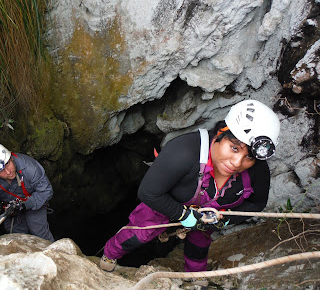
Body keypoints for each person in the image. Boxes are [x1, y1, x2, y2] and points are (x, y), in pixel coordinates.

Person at [100, 99, 280, 278]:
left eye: (249, 157)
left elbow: (257, 203)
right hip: (165, 203)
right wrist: (184, 216)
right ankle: (110, 254)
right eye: (234, 148)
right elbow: (148, 192)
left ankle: (195, 277)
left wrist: (226, 219)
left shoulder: (257, 171)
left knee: (200, 245)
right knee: (140, 232)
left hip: (209, 216)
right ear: (220, 133)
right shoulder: (184, 152)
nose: (237, 162)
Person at [0, 142, 55, 242]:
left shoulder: (29, 167)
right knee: (17, 238)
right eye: (0, 171)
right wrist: (0, 209)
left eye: (7, 164)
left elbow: (46, 191)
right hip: (9, 209)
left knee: (40, 233)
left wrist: (25, 205)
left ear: (11, 157)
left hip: (34, 202)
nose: (8, 172)